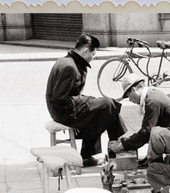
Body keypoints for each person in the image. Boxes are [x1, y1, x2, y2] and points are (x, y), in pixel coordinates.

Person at [46, 33, 127, 167]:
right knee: (107, 104)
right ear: (85, 51)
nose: (93, 58)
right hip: (64, 112)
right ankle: (119, 147)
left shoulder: (69, 61)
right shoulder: (69, 67)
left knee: (106, 108)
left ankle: (100, 152)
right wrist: (80, 106)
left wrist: (84, 102)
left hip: (64, 108)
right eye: (93, 54)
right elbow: (59, 98)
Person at [108, 73, 170, 166]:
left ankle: (153, 161)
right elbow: (146, 129)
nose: (130, 100)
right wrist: (128, 140)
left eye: (128, 96)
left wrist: (122, 145)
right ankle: (153, 159)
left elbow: (146, 132)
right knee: (154, 131)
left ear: (133, 89)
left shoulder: (152, 100)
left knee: (155, 132)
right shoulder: (152, 94)